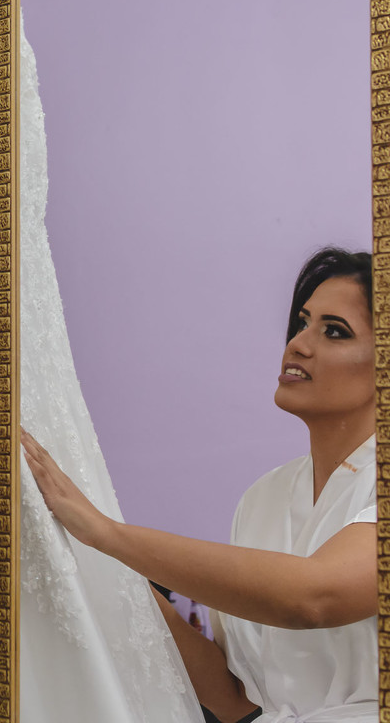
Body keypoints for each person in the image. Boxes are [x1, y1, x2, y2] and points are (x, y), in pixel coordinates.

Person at [23, 247, 376, 723]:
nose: (298, 343)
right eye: (302, 321)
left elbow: (313, 596)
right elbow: (237, 698)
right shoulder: (263, 499)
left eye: (335, 331)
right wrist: (103, 571)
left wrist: (105, 533)